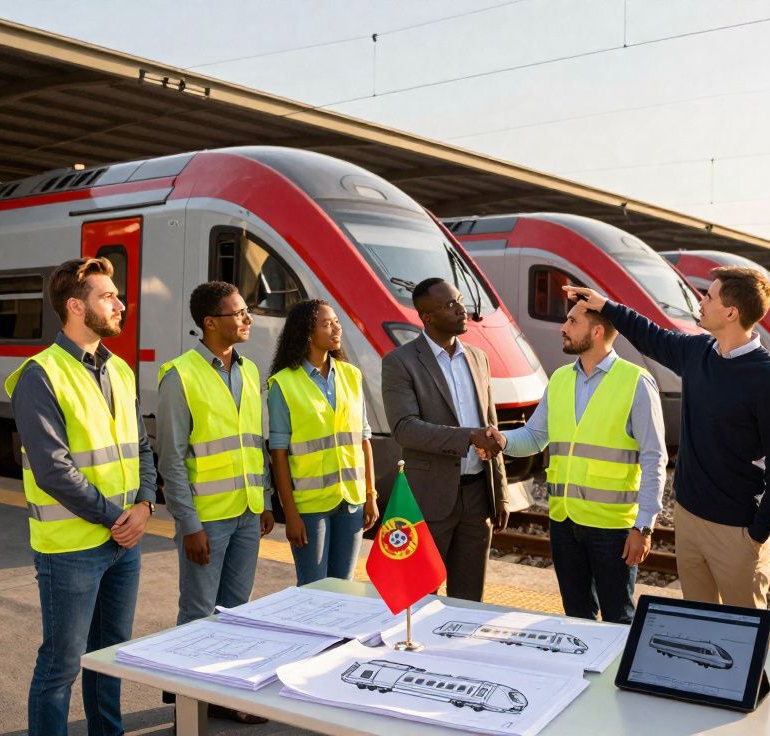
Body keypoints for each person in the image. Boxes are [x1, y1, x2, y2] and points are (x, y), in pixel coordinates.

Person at [563, 267, 770, 610]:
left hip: (737, 532)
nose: (700, 302)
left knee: (742, 641)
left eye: (709, 296)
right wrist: (606, 305)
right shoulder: (698, 352)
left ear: (731, 312)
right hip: (688, 520)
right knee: (699, 632)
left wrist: (759, 534)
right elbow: (649, 335)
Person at [6, 257, 156, 736]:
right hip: (70, 548)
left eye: (117, 295)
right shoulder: (39, 375)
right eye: (107, 296)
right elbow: (52, 470)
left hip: (121, 543)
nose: (120, 304)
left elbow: (142, 446)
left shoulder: (121, 371)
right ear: (75, 306)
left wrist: (146, 504)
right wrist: (118, 517)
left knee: (109, 658)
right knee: (61, 666)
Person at [489, 302, 665, 623]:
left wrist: (644, 526)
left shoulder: (636, 382)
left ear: (597, 332)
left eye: (572, 321)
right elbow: (534, 437)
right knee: (576, 617)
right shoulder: (559, 379)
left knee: (618, 618)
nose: (563, 327)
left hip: (613, 528)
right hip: (565, 523)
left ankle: (614, 675)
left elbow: (655, 458)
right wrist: (502, 441)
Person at [156, 281, 274, 725]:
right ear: (210, 322)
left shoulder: (249, 370)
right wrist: (188, 524)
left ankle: (225, 697)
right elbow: (172, 458)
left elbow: (254, 442)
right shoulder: (180, 375)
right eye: (239, 313)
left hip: (245, 513)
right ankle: (189, 712)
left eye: (246, 312)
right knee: (198, 613)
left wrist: (264, 500)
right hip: (206, 519)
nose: (247, 319)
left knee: (237, 610)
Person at [380, 277, 508, 602]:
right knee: (420, 596)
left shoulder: (479, 358)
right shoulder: (400, 362)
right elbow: (405, 428)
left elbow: (490, 426)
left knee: (468, 600)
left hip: (478, 496)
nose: (461, 309)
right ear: (427, 316)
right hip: (429, 498)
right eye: (450, 305)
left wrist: (501, 492)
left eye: (460, 300)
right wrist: (468, 437)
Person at [267, 299, 378, 585]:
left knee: (344, 585)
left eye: (336, 322)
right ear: (307, 332)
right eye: (326, 324)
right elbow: (278, 454)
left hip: (350, 501)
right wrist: (289, 514)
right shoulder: (283, 383)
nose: (335, 329)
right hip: (310, 506)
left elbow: (364, 440)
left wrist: (370, 496)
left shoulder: (351, 375)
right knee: (313, 588)